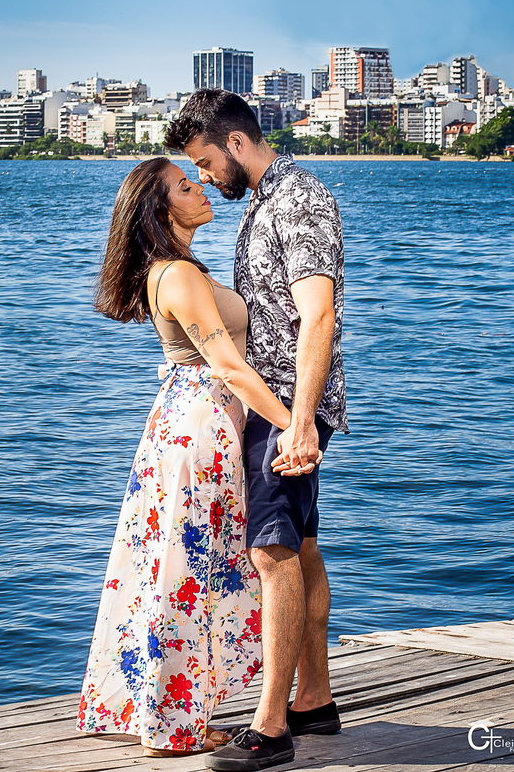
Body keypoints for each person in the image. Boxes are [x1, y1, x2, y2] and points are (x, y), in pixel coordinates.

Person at [75, 157, 305, 757]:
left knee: (181, 567)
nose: (200, 185)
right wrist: (292, 426)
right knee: (186, 571)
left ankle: (174, 718)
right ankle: (174, 726)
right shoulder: (177, 274)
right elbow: (229, 365)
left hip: (190, 418)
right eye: (185, 184)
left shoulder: (179, 269)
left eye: (195, 176)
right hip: (201, 423)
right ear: (160, 210)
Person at [163, 89, 349, 771]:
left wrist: (298, 423)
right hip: (281, 407)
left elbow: (318, 315)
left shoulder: (296, 199)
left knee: (270, 552)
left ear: (236, 144)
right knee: (297, 545)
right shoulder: (268, 203)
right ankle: (314, 699)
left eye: (206, 162)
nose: (206, 176)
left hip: (286, 410)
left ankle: (271, 726)